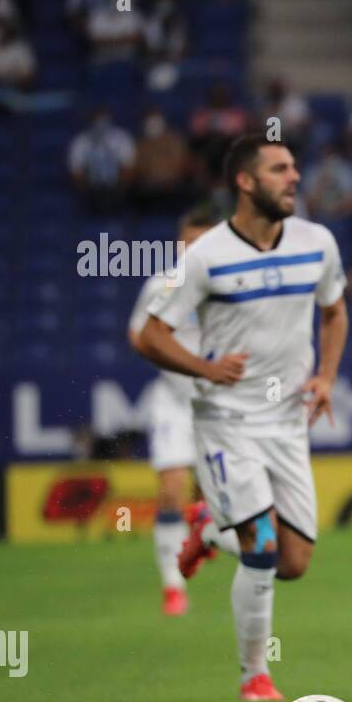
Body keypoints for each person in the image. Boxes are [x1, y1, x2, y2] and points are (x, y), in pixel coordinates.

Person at [137, 135, 350, 701]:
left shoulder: (317, 242)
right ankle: (254, 675)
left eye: (295, 167)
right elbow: (150, 336)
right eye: (280, 169)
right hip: (226, 420)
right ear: (246, 182)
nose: (294, 177)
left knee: (294, 561)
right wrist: (203, 369)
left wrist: (326, 376)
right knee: (260, 547)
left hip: (286, 422)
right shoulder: (205, 257)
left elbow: (334, 312)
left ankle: (209, 528)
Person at [126, 206, 236, 615]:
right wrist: (178, 363)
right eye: (187, 242)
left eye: (201, 242)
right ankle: (173, 586)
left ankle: (200, 535)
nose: (193, 250)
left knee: (218, 498)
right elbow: (138, 334)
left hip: (220, 404)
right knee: (171, 489)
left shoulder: (232, 284)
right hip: (174, 402)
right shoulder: (163, 284)